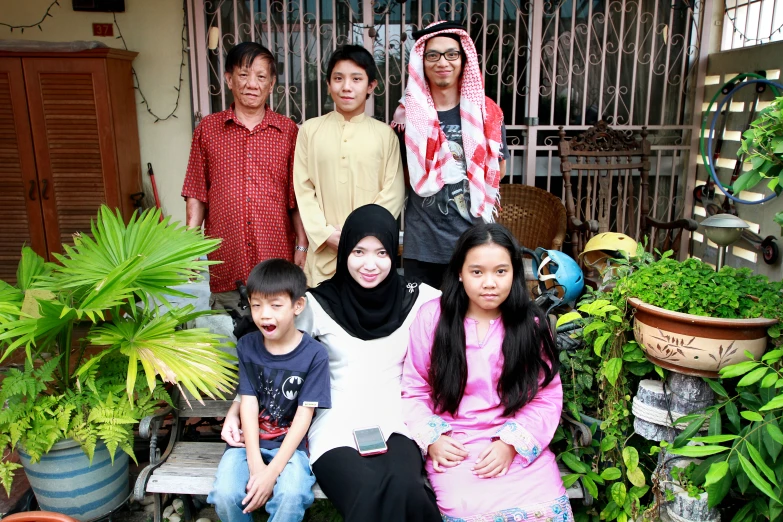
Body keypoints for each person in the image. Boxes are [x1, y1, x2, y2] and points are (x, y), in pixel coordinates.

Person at [221, 204, 442, 522]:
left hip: (397, 422)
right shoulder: (319, 303)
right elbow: (267, 351)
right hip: (334, 424)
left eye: (381, 253)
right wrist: (236, 407)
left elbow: (469, 311)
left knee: (406, 487)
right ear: (344, 253)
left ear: (394, 253)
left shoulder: (418, 298)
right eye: (358, 252)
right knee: (365, 490)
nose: (370, 264)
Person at [401, 223, 573, 522]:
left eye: (501, 272)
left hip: (516, 443)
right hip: (455, 445)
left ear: (515, 273)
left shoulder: (529, 324)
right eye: (477, 272)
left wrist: (510, 445)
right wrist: (433, 439)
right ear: (459, 272)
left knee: (543, 508)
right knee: (469, 509)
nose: (489, 283)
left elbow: (545, 396)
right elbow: (415, 389)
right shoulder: (433, 318)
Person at [182, 42, 308, 312]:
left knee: (276, 337)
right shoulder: (208, 129)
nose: (252, 84)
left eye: (261, 77)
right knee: (230, 341)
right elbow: (196, 193)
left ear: (272, 84)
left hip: (275, 255)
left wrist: (302, 244)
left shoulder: (287, 131)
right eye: (244, 75)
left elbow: (296, 197)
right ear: (229, 79)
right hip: (227, 259)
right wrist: (189, 251)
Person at [207, 259, 330, 522]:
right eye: (256, 305)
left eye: (275, 305)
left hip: (292, 446)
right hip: (246, 443)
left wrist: (270, 473)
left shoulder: (314, 354)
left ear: (298, 306)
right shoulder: (247, 346)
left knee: (291, 495)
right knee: (225, 494)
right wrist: (255, 465)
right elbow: (248, 404)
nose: (264, 315)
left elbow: (304, 416)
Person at [392, 21, 509, 289]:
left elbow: (498, 171)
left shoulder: (487, 113)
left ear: (463, 59)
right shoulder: (406, 115)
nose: (442, 62)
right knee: (423, 324)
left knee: (468, 324)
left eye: (451, 54)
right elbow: (405, 175)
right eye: (432, 55)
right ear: (421, 62)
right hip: (422, 244)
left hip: (474, 241)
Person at [294, 45, 405, 286]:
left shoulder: (385, 135)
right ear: (328, 84)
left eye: (356, 79)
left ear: (371, 86)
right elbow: (303, 190)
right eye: (338, 78)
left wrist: (359, 238)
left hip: (369, 256)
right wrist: (325, 235)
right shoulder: (310, 131)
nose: (346, 87)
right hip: (323, 251)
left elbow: (393, 193)